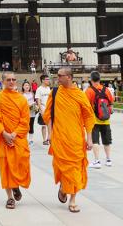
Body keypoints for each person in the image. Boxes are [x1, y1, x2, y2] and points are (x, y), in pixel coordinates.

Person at [43, 66, 94, 213]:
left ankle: (72, 199)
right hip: (60, 137)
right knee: (63, 168)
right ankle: (64, 187)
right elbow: (48, 115)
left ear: (69, 77)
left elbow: (89, 116)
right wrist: (50, 134)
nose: (57, 78)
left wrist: (89, 138)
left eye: (60, 76)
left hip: (76, 139)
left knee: (75, 169)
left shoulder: (79, 95)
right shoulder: (55, 92)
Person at [0, 72, 30, 210]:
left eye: (13, 79)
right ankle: (10, 198)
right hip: (3, 139)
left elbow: (25, 121)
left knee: (21, 164)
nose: (11, 82)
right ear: (2, 82)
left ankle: (15, 185)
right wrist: (4, 133)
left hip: (17, 138)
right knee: (6, 167)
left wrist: (13, 134)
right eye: (8, 80)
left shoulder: (22, 100)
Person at [85, 70, 114, 168]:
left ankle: (97, 161)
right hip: (106, 120)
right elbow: (111, 104)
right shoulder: (106, 89)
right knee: (107, 141)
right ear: (99, 79)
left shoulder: (89, 90)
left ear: (91, 79)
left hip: (94, 120)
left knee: (95, 141)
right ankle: (109, 159)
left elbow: (86, 106)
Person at [35, 74, 51, 145]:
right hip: (43, 108)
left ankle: (49, 138)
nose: (48, 80)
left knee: (49, 125)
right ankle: (44, 140)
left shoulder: (48, 88)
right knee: (44, 125)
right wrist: (40, 110)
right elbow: (38, 100)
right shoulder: (39, 89)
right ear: (43, 80)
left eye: (48, 79)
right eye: (47, 79)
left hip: (49, 108)